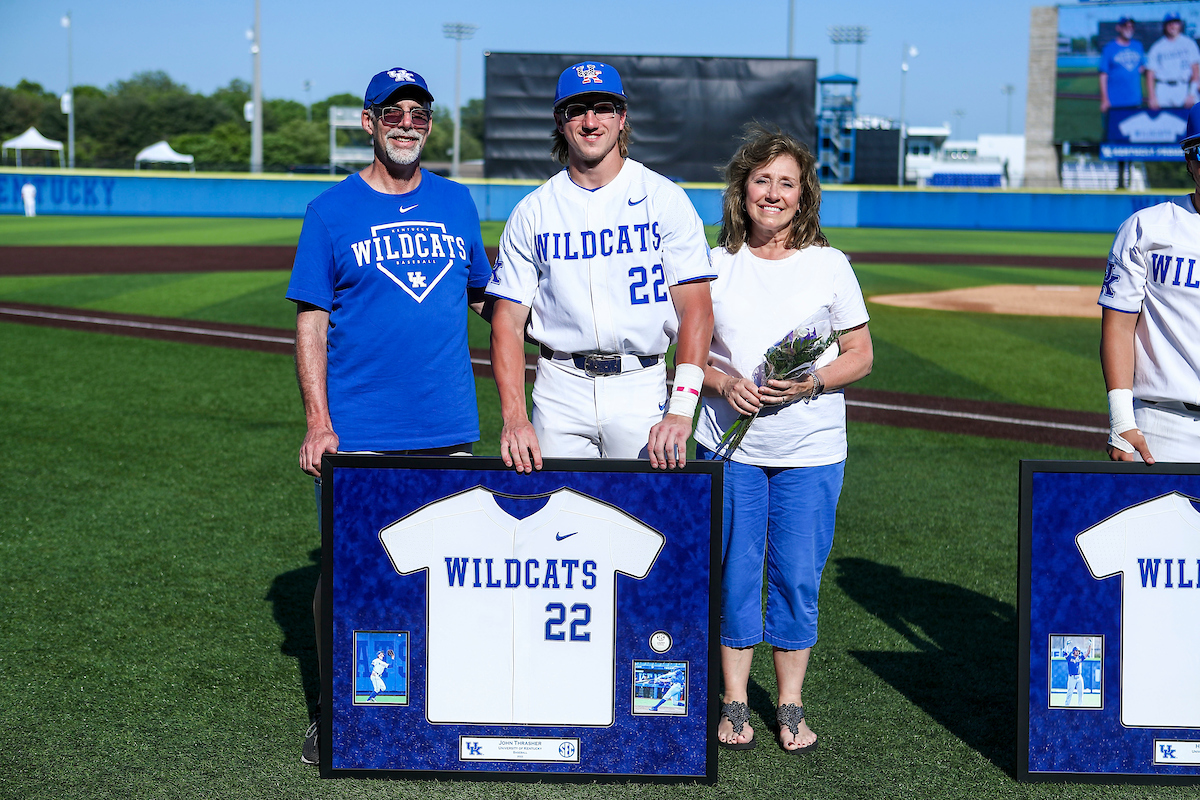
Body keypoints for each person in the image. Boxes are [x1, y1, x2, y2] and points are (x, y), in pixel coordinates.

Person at [285, 66, 492, 765]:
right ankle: (333, 712)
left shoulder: (458, 203)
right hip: (363, 430)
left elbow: (488, 301)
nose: (407, 122)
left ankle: (437, 701)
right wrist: (319, 422)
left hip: (447, 425)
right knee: (351, 572)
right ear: (368, 122)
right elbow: (311, 322)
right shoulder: (331, 211)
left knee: (449, 571)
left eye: (420, 113)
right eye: (393, 111)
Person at [694, 126, 872, 754]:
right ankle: (736, 702)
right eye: (761, 180)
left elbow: (860, 354)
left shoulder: (829, 265)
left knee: (796, 575)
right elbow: (681, 358)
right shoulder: (713, 265)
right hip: (728, 446)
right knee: (735, 572)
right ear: (742, 189)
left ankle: (791, 703)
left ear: (804, 195)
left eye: (786, 183)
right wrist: (721, 384)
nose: (772, 193)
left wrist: (812, 383)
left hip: (811, 450)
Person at [487, 61, 714, 472]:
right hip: (559, 388)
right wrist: (514, 418)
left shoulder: (663, 198)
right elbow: (507, 321)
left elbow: (696, 308)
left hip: (641, 386)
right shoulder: (533, 211)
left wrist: (681, 408)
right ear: (561, 120)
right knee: (555, 523)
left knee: (646, 524)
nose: (590, 121)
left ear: (622, 118)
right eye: (577, 109)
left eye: (604, 107)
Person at [1099, 102, 1200, 464]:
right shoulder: (1147, 228)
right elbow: (1118, 328)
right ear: (1189, 160)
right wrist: (1122, 420)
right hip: (1162, 427)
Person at [1147, 12, 1200, 110]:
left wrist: (1192, 94)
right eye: (1169, 23)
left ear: (1180, 25)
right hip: (1163, 88)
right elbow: (1150, 73)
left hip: (1183, 87)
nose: (1172, 26)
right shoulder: (1157, 47)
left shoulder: (1189, 44)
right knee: (1164, 122)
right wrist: (1152, 97)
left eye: (1175, 23)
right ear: (1165, 26)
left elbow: (1195, 70)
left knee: (1188, 122)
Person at [1099, 16, 1146, 113]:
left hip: (1135, 101)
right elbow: (1103, 75)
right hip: (1115, 102)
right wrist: (1104, 99)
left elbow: (1142, 68)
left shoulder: (1138, 46)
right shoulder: (1109, 48)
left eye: (1131, 26)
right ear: (1118, 28)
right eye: (1125, 26)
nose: (1129, 29)